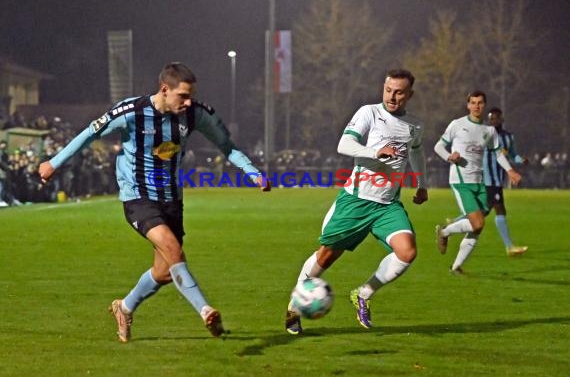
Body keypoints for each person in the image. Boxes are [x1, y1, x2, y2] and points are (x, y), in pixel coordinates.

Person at [39, 62, 271, 342]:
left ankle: (123, 308)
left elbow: (227, 146)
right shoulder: (131, 112)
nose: (188, 102)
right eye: (182, 96)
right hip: (138, 196)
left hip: (172, 199)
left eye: (190, 96)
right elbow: (91, 133)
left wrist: (253, 172)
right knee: (173, 250)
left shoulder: (196, 114)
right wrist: (53, 163)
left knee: (163, 272)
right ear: (164, 89)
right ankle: (206, 310)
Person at [284, 69, 428, 334]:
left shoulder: (415, 125)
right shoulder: (369, 113)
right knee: (326, 255)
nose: (392, 96)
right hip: (357, 201)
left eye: (399, 92)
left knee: (407, 252)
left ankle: (363, 293)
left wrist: (421, 183)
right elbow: (344, 144)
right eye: (388, 90)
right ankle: (294, 307)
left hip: (387, 205)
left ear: (410, 94)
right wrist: (375, 152)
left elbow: (416, 152)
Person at [433, 91, 522, 274]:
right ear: (468, 105)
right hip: (460, 181)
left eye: (480, 103)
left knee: (477, 228)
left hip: (479, 183)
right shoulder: (457, 125)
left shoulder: (488, 131)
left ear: (484, 105)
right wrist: (450, 157)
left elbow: (498, 154)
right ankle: (444, 232)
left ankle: (456, 267)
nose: (476, 106)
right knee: (478, 223)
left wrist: (510, 170)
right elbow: (438, 146)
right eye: (473, 103)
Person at [483, 107, 528, 255]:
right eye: (491, 118)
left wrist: (521, 160)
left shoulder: (508, 137)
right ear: (489, 120)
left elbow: (512, 154)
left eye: (496, 118)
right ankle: (509, 247)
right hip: (488, 179)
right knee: (500, 210)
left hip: (498, 179)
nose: (494, 120)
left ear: (502, 119)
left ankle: (449, 227)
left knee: (482, 212)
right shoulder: (484, 135)